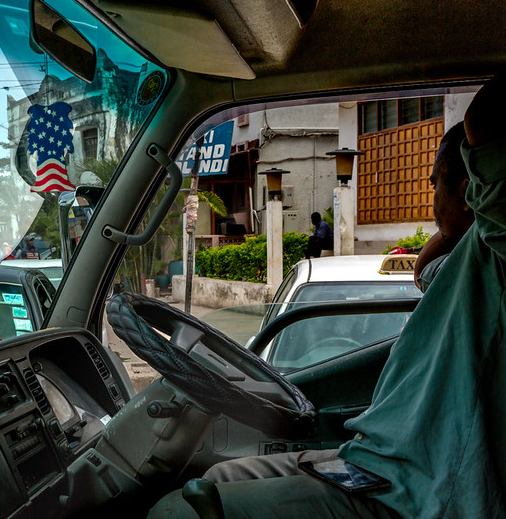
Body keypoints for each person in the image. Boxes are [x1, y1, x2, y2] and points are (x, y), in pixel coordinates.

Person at [149, 74, 506, 518]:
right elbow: (424, 273)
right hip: (379, 462)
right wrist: (454, 220)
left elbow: (485, 118)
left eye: (436, 185)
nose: (430, 198)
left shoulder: (499, 254)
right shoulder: (466, 266)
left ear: (477, 190)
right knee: (220, 477)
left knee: (174, 513)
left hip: (424, 491)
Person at [413, 122, 475, 292]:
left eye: (435, 186)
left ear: (466, 193)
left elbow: (422, 273)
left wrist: (455, 231)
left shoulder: (477, 265)